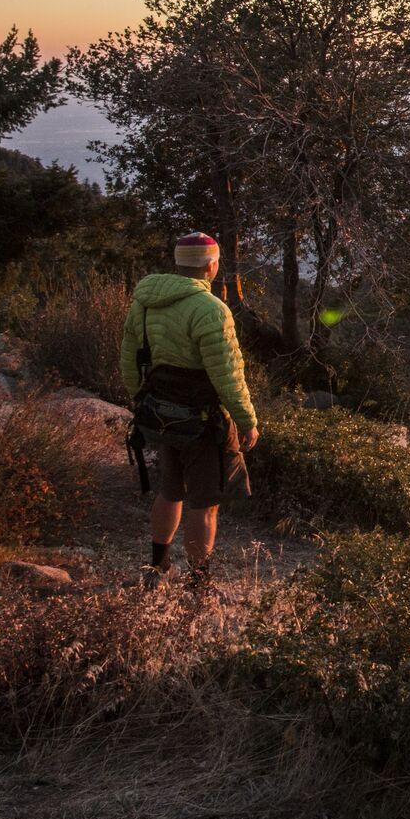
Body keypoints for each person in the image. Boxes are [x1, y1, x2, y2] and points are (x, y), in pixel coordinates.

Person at [119, 231, 259, 584]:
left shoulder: (145, 303)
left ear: (179, 264)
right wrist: (246, 420)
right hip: (201, 421)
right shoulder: (211, 310)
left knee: (170, 490)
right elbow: (228, 374)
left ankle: (157, 565)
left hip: (160, 415)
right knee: (204, 501)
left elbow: (129, 360)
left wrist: (143, 403)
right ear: (211, 266)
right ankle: (199, 581)